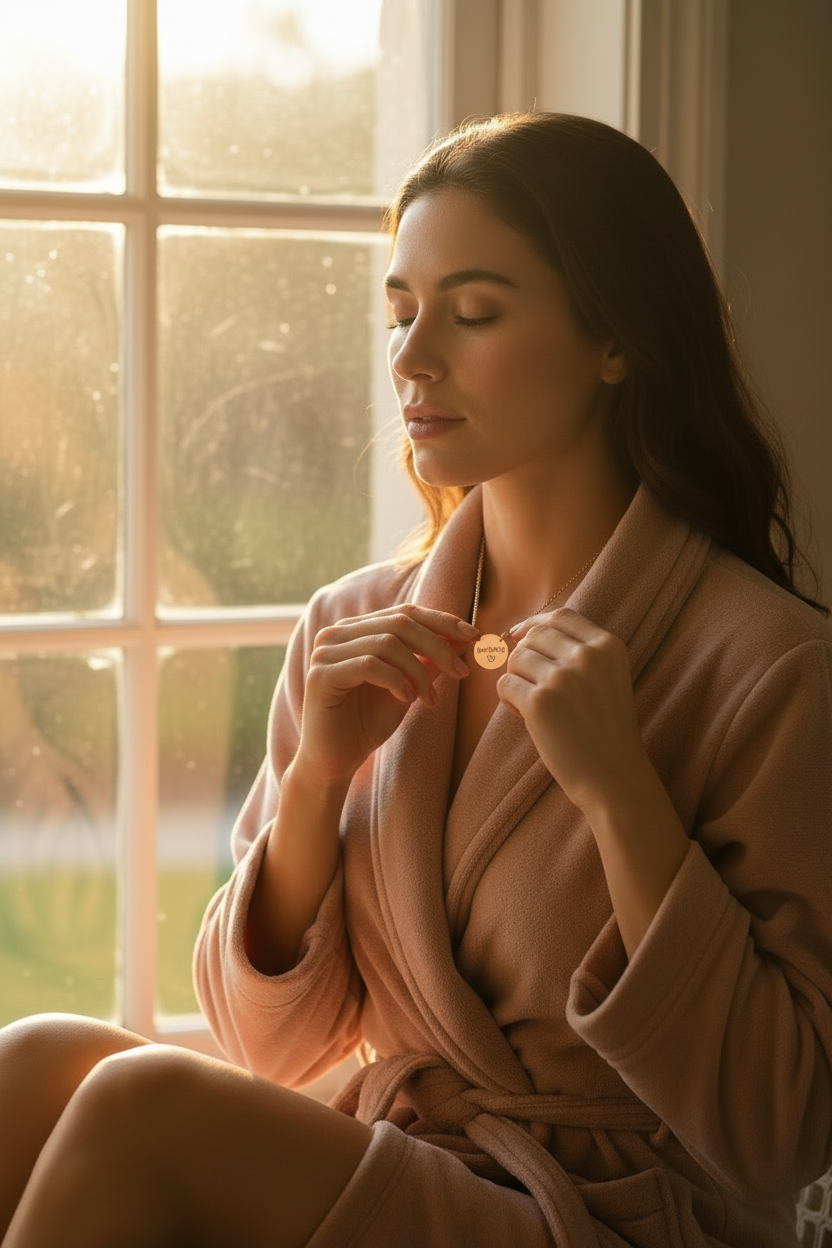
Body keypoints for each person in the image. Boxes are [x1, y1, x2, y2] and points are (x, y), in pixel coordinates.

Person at [1, 111, 830, 1248]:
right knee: (34, 1060)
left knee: (144, 1107)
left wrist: (622, 797)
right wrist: (316, 780)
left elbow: (779, 1132)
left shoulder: (769, 665)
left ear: (616, 340)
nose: (412, 355)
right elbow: (271, 1047)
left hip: (614, 1220)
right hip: (418, 1163)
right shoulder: (354, 627)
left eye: (474, 312)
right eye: (400, 311)